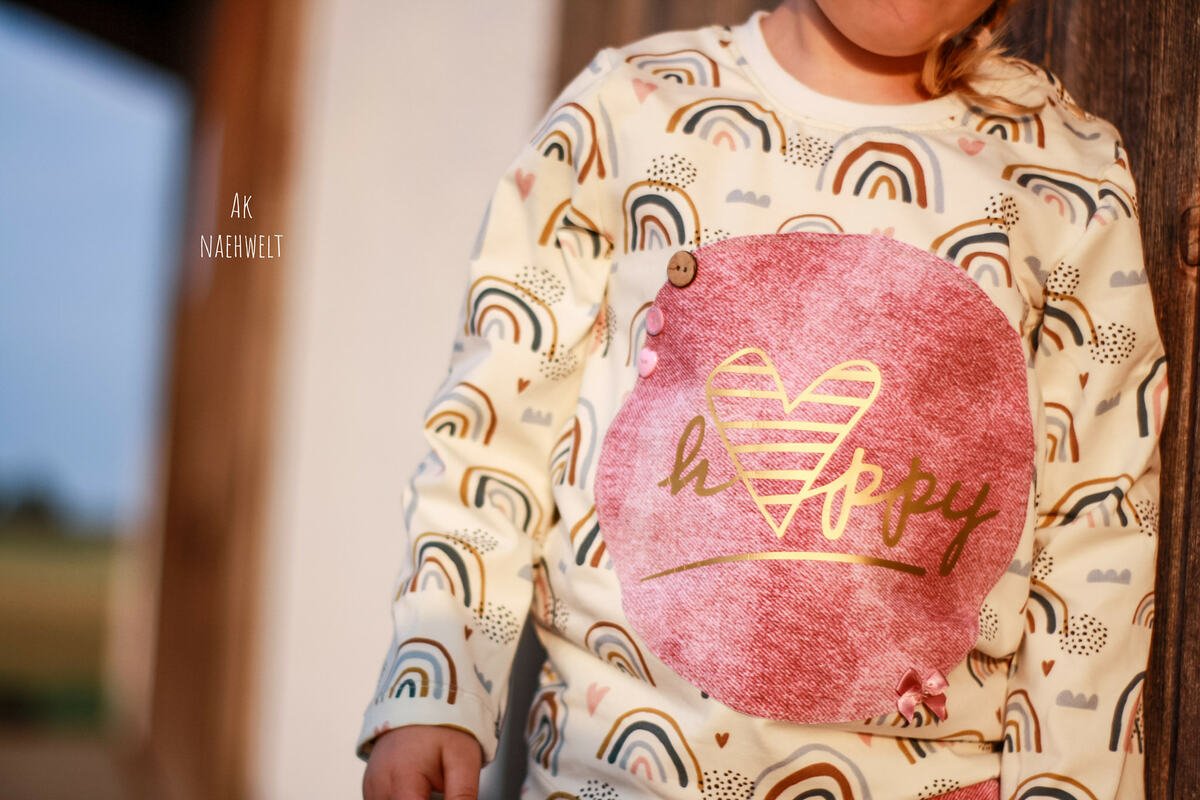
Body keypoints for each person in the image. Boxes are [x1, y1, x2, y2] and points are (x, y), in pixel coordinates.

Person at [359, 1, 1169, 798]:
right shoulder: (632, 111)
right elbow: (498, 428)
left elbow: (1097, 524)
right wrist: (437, 678)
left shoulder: (1065, 178)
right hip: (616, 773)